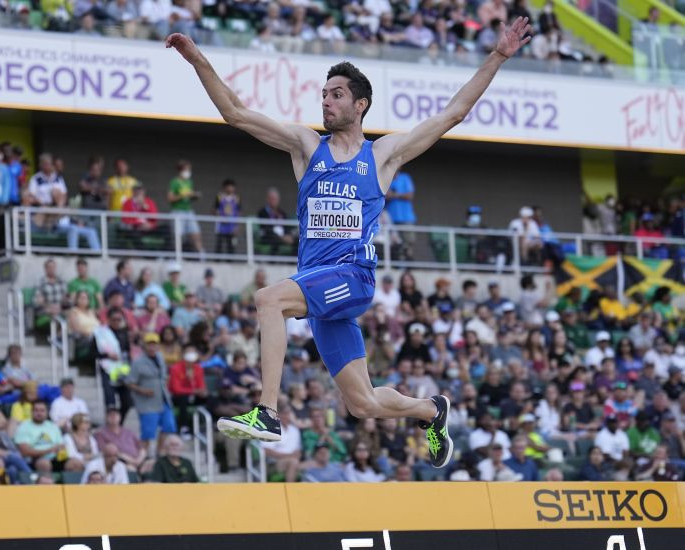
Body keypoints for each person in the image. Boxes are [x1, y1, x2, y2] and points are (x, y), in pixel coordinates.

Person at [168, 28, 539, 468]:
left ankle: (267, 411)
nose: (326, 101)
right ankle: (431, 411)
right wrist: (197, 59)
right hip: (318, 285)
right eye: (324, 94)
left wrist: (497, 55)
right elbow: (235, 113)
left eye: (337, 94)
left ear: (360, 104)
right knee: (362, 403)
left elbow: (452, 114)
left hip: (352, 277)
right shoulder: (307, 146)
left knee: (268, 299)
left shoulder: (382, 156)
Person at [127, 333, 177, 455]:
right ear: (144, 346)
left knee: (169, 426)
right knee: (148, 433)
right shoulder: (138, 362)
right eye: (149, 344)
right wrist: (142, 390)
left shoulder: (160, 358)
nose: (152, 347)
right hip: (147, 403)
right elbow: (130, 382)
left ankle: (159, 453)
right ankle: (143, 457)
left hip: (163, 399)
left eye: (154, 344)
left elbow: (164, 376)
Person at [15, 399, 82, 473]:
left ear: (47, 412)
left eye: (42, 410)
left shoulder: (52, 426)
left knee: (76, 463)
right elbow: (25, 451)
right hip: (35, 459)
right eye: (36, 410)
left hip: (56, 458)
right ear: (31, 412)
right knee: (44, 464)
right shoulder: (24, 426)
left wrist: (61, 449)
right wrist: (48, 450)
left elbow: (61, 445)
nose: (39, 413)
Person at [94, 407, 148, 472]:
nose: (113, 417)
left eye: (115, 415)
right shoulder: (101, 434)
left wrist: (139, 460)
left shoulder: (128, 432)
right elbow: (105, 451)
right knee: (130, 469)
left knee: (152, 465)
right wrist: (131, 460)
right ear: (106, 418)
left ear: (120, 417)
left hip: (138, 461)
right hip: (120, 461)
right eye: (111, 415)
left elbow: (142, 448)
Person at [167, 159, 204, 254]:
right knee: (178, 236)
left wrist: (194, 196)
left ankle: (202, 255)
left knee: (196, 233)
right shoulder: (174, 182)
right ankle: (178, 255)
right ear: (181, 170)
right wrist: (183, 195)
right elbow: (170, 198)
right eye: (187, 169)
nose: (189, 172)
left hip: (189, 211)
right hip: (178, 212)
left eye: (189, 169)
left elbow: (190, 196)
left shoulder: (189, 182)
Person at [213, 179, 242, 254]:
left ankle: (231, 259)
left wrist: (237, 225)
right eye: (229, 186)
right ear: (225, 187)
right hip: (221, 225)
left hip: (232, 225)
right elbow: (214, 210)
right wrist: (219, 215)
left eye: (232, 186)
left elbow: (239, 211)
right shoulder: (220, 197)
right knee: (219, 244)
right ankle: (217, 259)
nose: (231, 188)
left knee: (231, 245)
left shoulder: (237, 198)